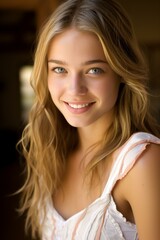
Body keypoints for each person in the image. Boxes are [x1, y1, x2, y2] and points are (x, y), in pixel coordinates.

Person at [17, 0, 160, 239]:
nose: (75, 89)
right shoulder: (52, 152)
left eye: (94, 70)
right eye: (59, 69)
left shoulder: (142, 162)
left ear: (121, 72)